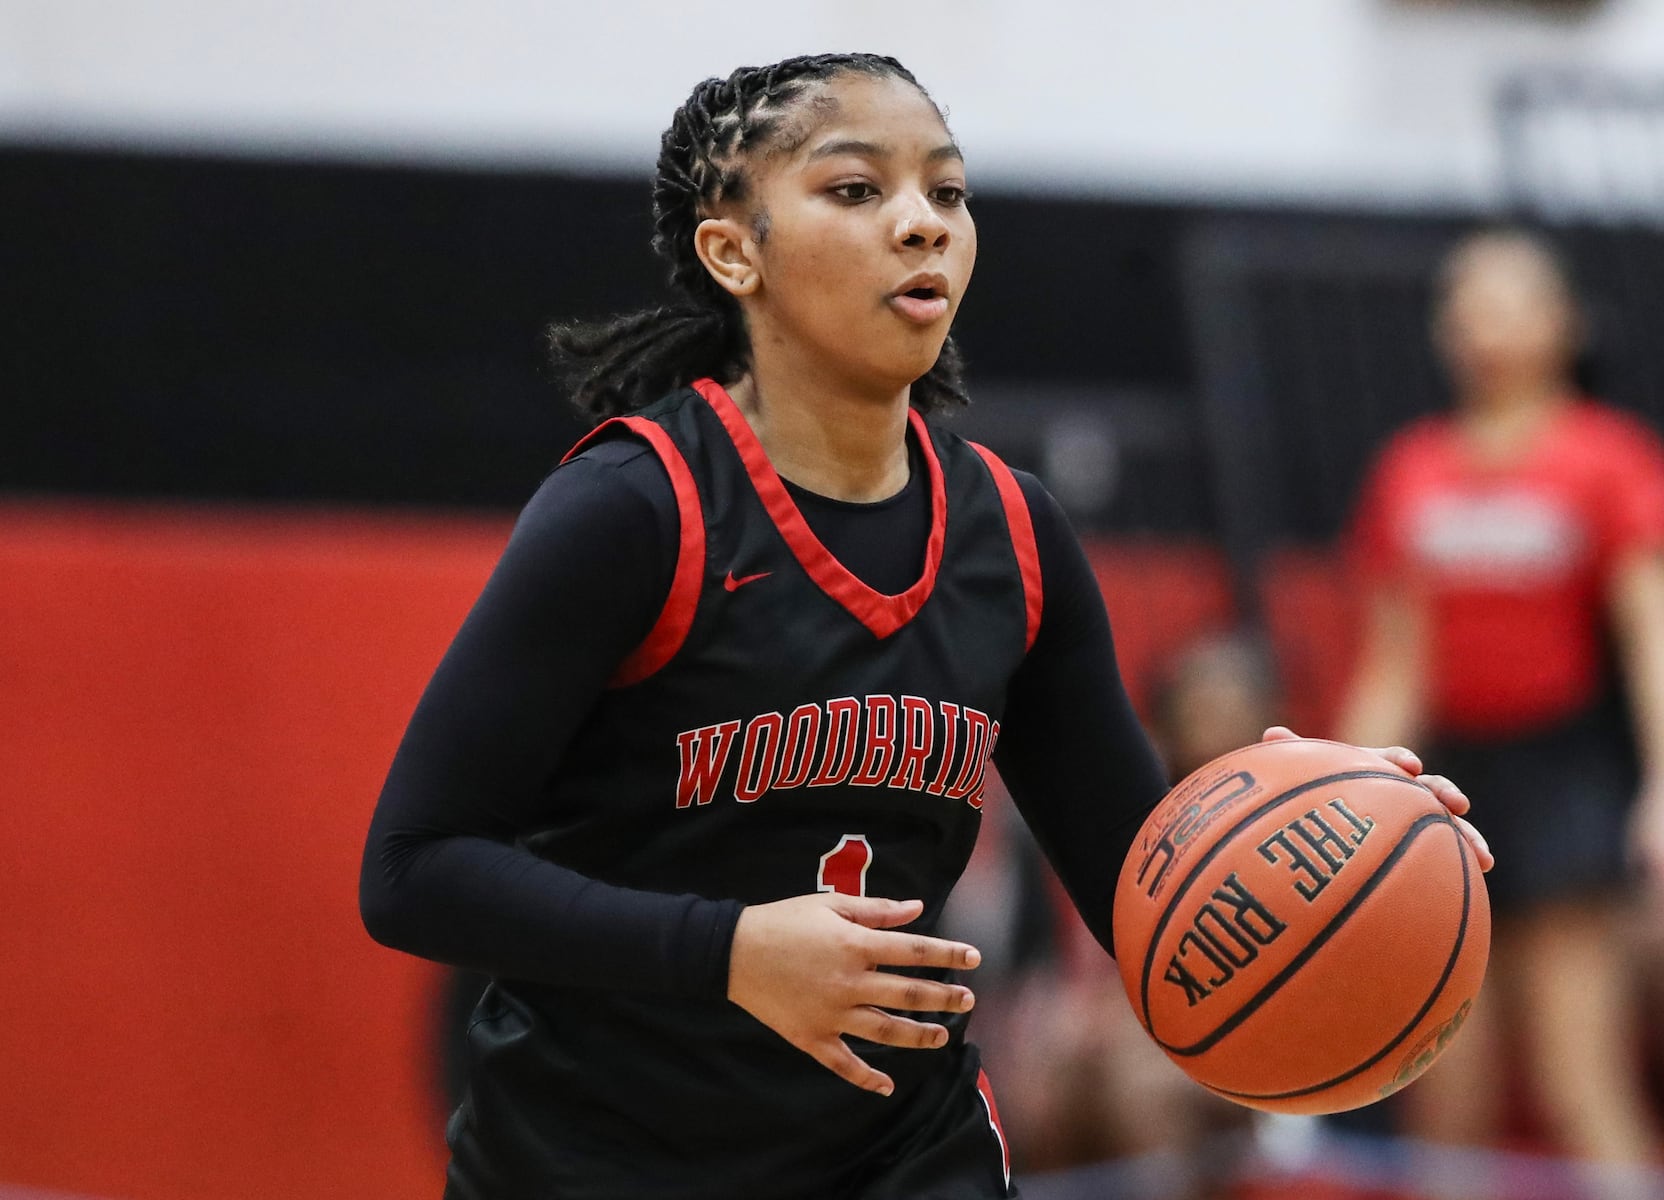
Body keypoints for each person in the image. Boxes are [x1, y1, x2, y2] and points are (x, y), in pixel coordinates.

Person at [359, 53, 1487, 1200]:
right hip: (597, 1158)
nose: (921, 225)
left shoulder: (1010, 533)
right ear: (732, 250)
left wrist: (1320, 829)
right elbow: (413, 869)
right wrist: (732, 951)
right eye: (856, 190)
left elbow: (1148, 906)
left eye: (945, 192)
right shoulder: (636, 509)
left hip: (899, 1156)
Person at [1338, 229, 1664, 1187]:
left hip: (1567, 777)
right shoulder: (1413, 467)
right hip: (1449, 786)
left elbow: (1650, 633)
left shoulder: (1607, 457)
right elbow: (1397, 661)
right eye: (1465, 304)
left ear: (1562, 323)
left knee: (1579, 1078)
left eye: (1509, 301)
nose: (1481, 323)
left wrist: (1660, 786)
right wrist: (1346, 790)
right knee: (1446, 1096)